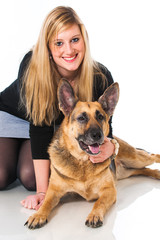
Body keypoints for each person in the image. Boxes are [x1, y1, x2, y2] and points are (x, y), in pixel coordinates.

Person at [0, 6, 116, 210]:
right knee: (1, 175)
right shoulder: (31, 66)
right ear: (48, 47)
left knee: (29, 177)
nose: (69, 50)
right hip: (11, 117)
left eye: (74, 40)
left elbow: (106, 127)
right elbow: (39, 127)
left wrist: (112, 147)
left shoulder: (100, 76)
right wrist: (44, 194)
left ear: (84, 40)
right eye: (59, 43)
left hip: (46, 128)